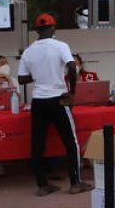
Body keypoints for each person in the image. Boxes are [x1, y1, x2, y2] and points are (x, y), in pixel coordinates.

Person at [18, 13, 91, 196]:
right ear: (53, 29)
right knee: (70, 141)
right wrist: (72, 92)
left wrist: (37, 74)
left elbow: (21, 79)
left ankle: (42, 185)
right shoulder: (60, 46)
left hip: (38, 102)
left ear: (37, 31)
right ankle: (75, 183)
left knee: (37, 143)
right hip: (59, 99)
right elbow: (72, 67)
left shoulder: (28, 51)